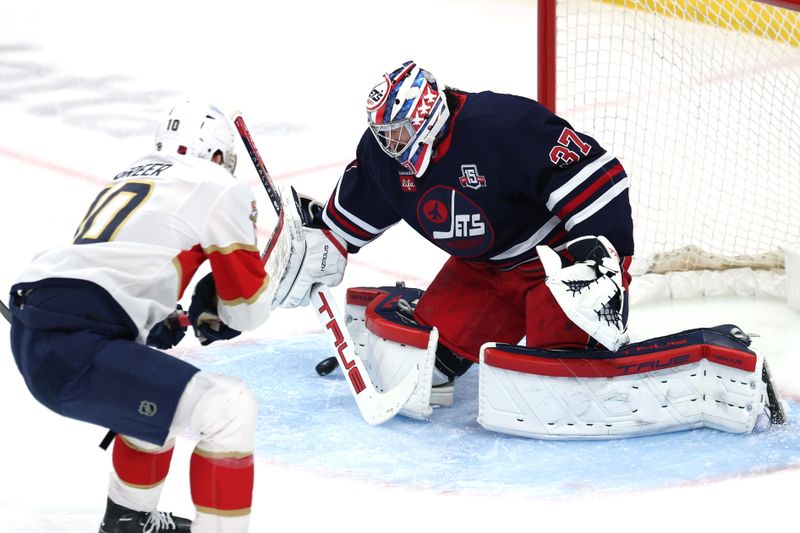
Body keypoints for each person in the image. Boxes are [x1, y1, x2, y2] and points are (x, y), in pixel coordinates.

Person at [277, 60, 634, 386]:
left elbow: (595, 177)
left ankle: (583, 343)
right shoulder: (384, 155)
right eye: (381, 133)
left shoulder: (502, 125)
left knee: (556, 373)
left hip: (554, 265)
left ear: (424, 116)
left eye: (396, 132)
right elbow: (361, 199)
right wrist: (326, 239)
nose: (387, 144)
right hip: (483, 272)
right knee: (423, 365)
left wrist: (599, 258)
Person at [8, 100, 276, 533]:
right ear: (218, 155)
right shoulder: (215, 183)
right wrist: (218, 303)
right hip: (75, 343)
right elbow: (247, 311)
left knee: (160, 393)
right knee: (229, 408)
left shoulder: (132, 173)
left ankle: (127, 521)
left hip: (40, 325)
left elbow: (111, 274)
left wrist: (156, 319)